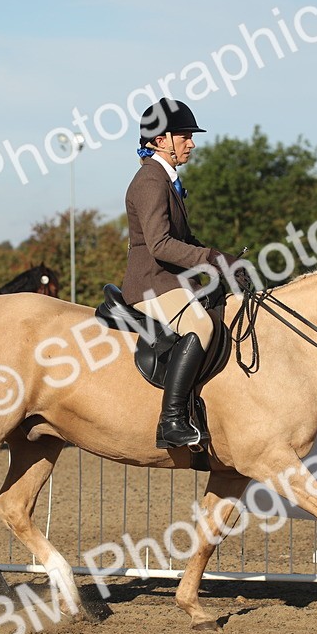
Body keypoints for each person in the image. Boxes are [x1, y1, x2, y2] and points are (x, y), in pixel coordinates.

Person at [122, 98, 245, 449]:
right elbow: (160, 245)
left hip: (170, 281)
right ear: (161, 140)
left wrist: (224, 261)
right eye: (185, 136)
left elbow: (184, 240)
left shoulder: (167, 179)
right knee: (200, 325)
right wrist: (211, 257)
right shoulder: (151, 180)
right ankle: (172, 419)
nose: (191, 143)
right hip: (152, 285)